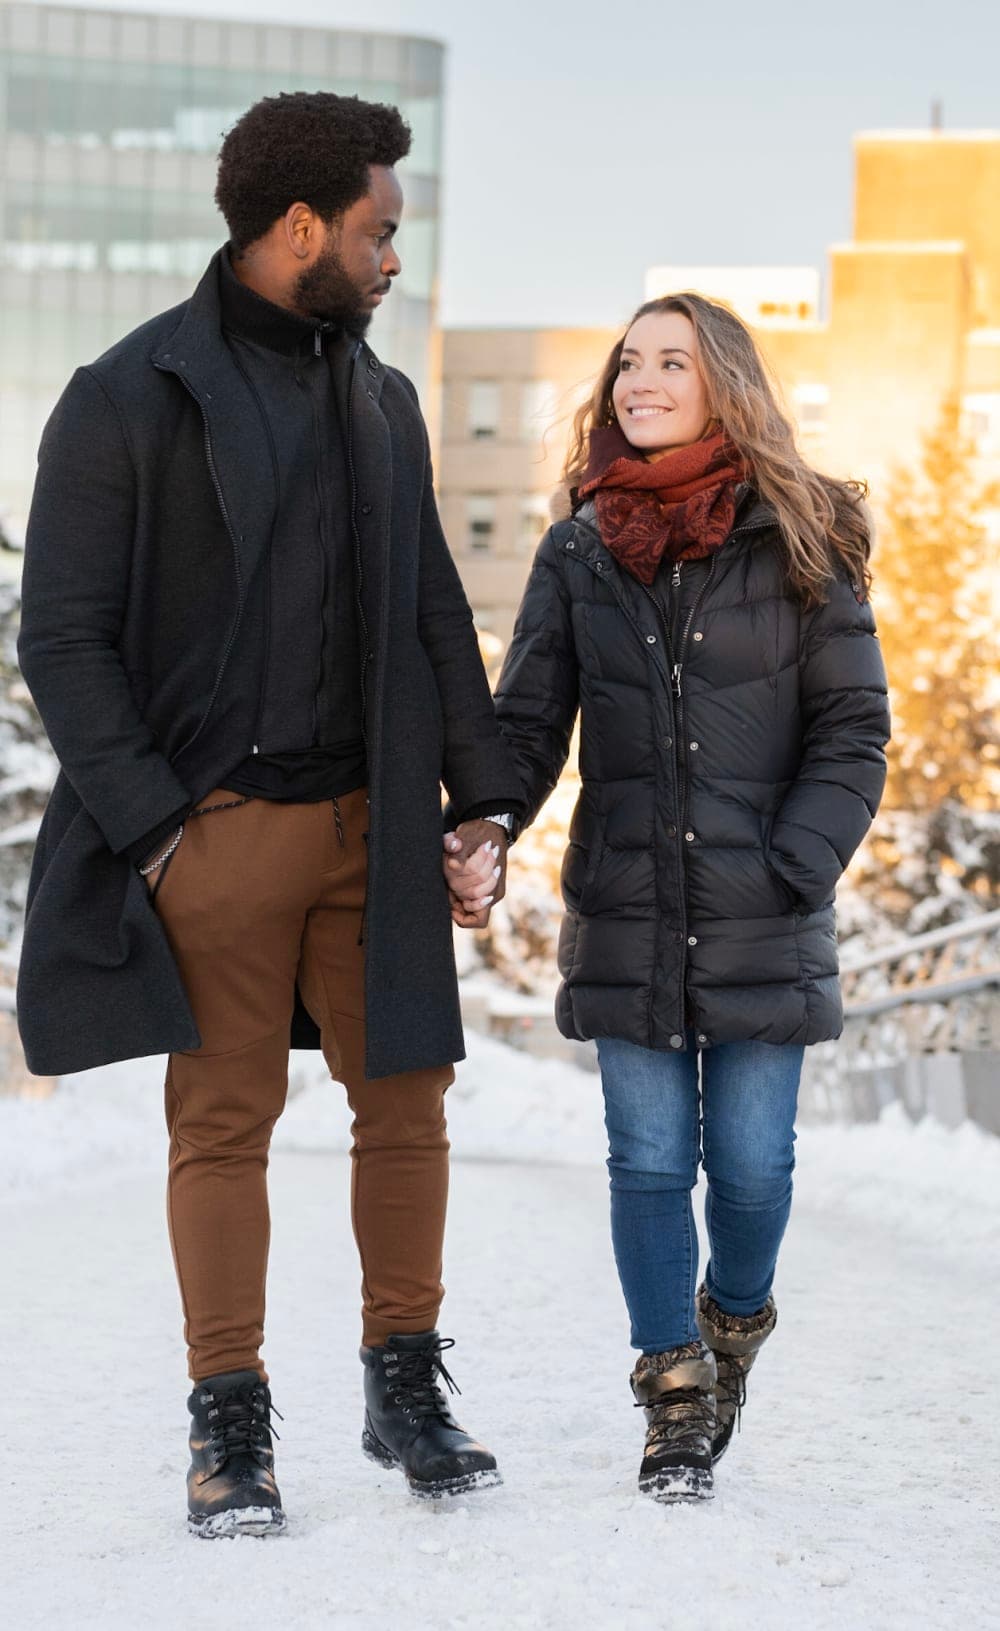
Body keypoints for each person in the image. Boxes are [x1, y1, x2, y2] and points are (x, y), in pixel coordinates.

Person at [17, 91, 522, 1537]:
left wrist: (481, 799)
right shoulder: (127, 394)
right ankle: (228, 1417)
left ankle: (403, 1378)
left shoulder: (383, 397)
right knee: (221, 1123)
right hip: (213, 830)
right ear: (298, 225)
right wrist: (162, 829)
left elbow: (432, 607)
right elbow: (61, 638)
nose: (392, 261)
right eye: (379, 232)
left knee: (407, 1101)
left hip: (376, 830)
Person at [447, 293, 890, 1504]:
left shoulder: (804, 536)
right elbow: (529, 721)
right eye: (627, 360)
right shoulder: (580, 547)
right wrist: (484, 822)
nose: (638, 377)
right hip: (629, 906)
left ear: (722, 384)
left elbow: (855, 731)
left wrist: (795, 863)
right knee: (647, 1159)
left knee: (751, 1170)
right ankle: (673, 1389)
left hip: (765, 906)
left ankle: (730, 1322)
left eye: (669, 360)